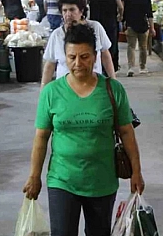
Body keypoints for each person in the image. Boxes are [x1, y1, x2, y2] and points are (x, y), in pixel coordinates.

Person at [23, 23, 144, 236]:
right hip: (62, 179)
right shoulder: (51, 92)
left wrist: (137, 172)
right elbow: (41, 138)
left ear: (95, 56)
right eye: (72, 57)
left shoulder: (113, 90)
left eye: (84, 57)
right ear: (65, 57)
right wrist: (34, 176)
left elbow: (126, 133)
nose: (78, 63)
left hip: (102, 181)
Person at [41, 0, 116, 87]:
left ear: (81, 11)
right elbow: (50, 64)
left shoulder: (96, 27)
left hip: (93, 85)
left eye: (72, 10)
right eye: (64, 10)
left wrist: (113, 80)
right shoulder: (56, 35)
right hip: (65, 88)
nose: (68, 14)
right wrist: (43, 89)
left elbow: (105, 55)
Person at [84, 0, 123, 72]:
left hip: (94, 20)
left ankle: (96, 67)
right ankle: (110, 68)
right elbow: (120, 6)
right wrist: (120, 15)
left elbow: (84, 5)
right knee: (111, 45)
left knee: (95, 44)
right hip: (110, 21)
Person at [123, 0, 155, 77]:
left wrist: (124, 23)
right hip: (143, 25)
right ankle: (142, 67)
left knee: (131, 47)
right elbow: (149, 14)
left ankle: (131, 67)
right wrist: (152, 28)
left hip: (130, 24)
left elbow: (123, 12)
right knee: (143, 47)